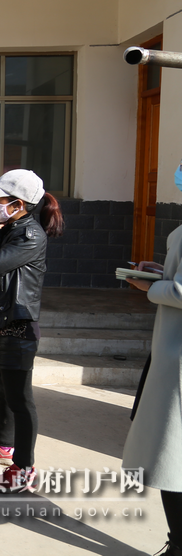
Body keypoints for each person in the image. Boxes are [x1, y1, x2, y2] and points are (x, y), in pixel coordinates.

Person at [0, 169, 64, 492]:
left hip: (15, 328)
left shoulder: (30, 235)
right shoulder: (10, 228)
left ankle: (24, 467)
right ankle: (3, 445)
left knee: (21, 400)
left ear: (18, 204)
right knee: (3, 391)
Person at [122, 157, 182, 556]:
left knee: (170, 456)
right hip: (170, 352)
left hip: (177, 359)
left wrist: (153, 288)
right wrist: (161, 274)